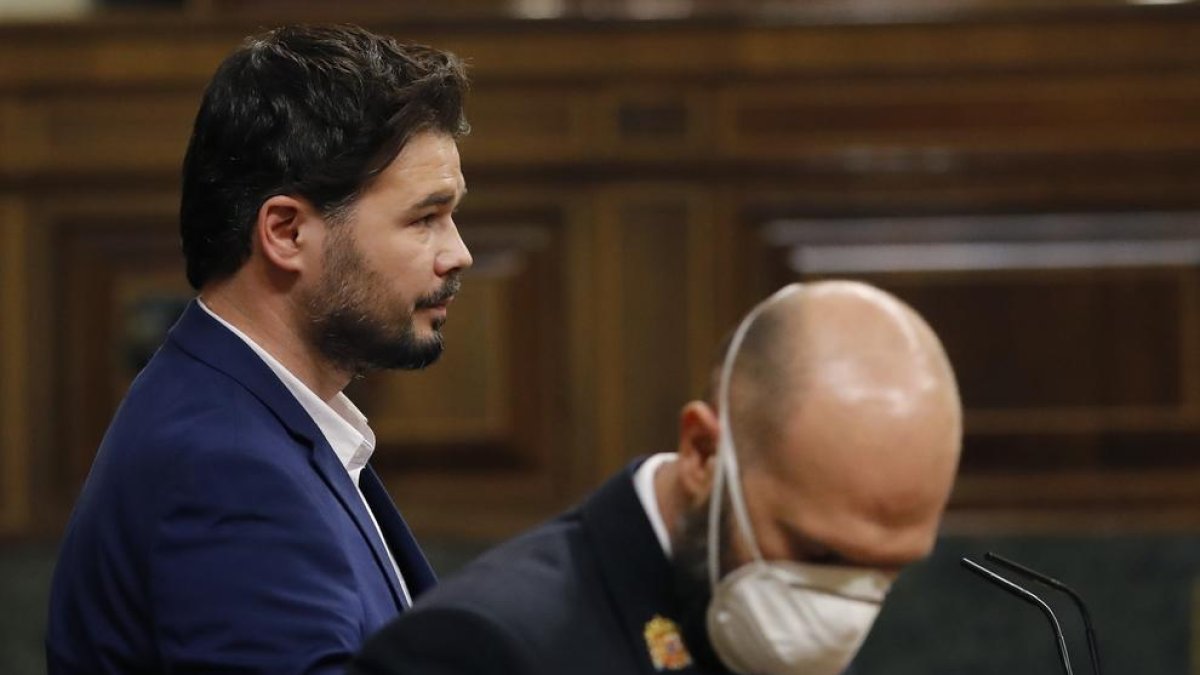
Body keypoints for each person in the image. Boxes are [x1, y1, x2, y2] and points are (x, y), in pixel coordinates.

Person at [46, 24, 473, 673]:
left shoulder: (244, 418)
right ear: (286, 232)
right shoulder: (225, 467)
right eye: (425, 218)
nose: (458, 252)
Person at [349, 280, 963, 675]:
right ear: (701, 453)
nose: (843, 608)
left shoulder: (778, 623)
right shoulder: (477, 651)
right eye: (816, 551)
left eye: (888, 569)